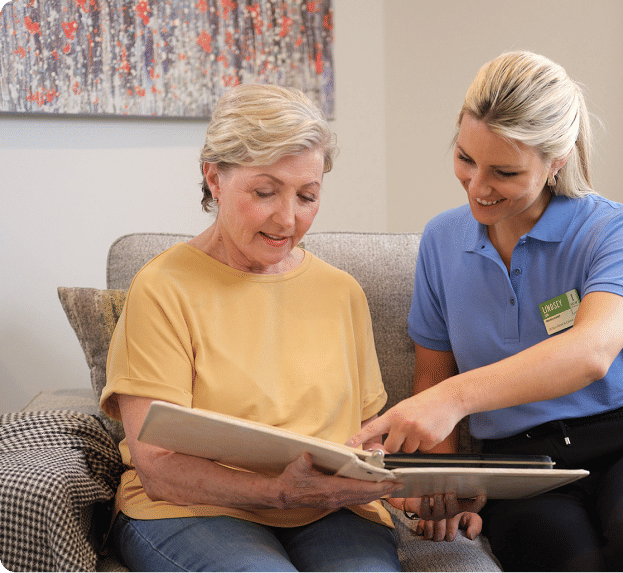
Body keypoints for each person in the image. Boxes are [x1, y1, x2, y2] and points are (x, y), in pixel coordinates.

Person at [349, 51, 623, 571]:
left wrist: (452, 398)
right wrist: (444, 482)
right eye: (465, 159)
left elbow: (591, 351)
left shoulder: (618, 232)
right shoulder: (441, 241)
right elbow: (432, 375)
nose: (477, 187)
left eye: (504, 171)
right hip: (520, 467)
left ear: (558, 159)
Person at [100, 84, 405, 573]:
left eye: (307, 196)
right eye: (265, 192)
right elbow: (157, 467)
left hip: (330, 510)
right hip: (189, 509)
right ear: (214, 178)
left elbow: (368, 436)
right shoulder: (163, 287)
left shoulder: (342, 291)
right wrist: (276, 492)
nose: (287, 218)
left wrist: (398, 479)